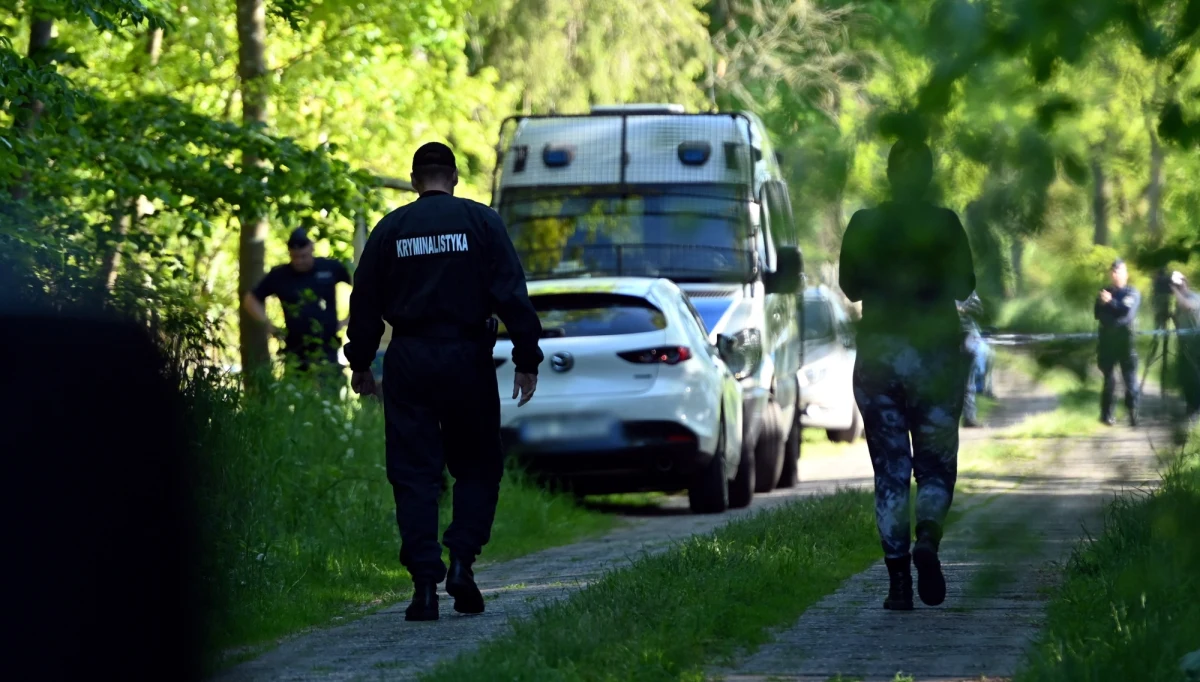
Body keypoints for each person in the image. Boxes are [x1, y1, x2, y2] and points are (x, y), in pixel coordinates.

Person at [343, 142, 544, 622]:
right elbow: (512, 293)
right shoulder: (481, 222)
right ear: (453, 178)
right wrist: (526, 356)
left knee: (414, 472)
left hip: (408, 358)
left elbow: (365, 299)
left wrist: (361, 362)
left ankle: (424, 587)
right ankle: (461, 562)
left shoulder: (390, 229)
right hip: (467, 357)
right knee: (476, 465)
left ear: (415, 181)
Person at [839, 138, 976, 612]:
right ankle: (929, 541)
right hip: (936, 357)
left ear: (890, 174)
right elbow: (965, 286)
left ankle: (898, 584)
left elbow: (849, 287)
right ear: (930, 177)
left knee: (891, 472)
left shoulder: (864, 224)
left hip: (879, 360)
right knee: (936, 466)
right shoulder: (945, 224)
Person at [242, 228, 352, 379]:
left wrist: (348, 320)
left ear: (311, 248)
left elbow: (363, 288)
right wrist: (268, 325)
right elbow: (250, 300)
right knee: (297, 394)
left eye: (303, 256)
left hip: (328, 347)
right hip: (295, 349)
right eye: (295, 257)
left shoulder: (330, 267)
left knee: (329, 392)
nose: (299, 261)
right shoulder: (280, 275)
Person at [1094, 259, 1141, 427]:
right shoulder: (1104, 291)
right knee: (1109, 380)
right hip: (1107, 343)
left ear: (1125, 275)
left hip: (1125, 343)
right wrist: (1114, 309)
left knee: (1129, 380)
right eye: (1113, 272)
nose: (1115, 275)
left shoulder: (1132, 293)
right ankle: (1106, 415)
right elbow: (1099, 314)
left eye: (1119, 272)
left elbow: (1126, 312)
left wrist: (1110, 303)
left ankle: (1132, 412)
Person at [1169, 271, 1200, 425]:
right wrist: (1172, 316)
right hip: (1184, 344)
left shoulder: (1193, 297)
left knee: (1195, 377)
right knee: (1185, 377)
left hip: (1197, 344)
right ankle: (1190, 408)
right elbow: (1179, 323)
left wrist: (1175, 292)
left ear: (1185, 283)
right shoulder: (1178, 302)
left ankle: (1196, 410)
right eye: (1175, 286)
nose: (1177, 288)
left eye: (1179, 285)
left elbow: (1188, 307)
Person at [958, 291, 991, 428]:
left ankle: (969, 417)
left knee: (967, 380)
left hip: (965, 336)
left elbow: (979, 309)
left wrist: (963, 309)